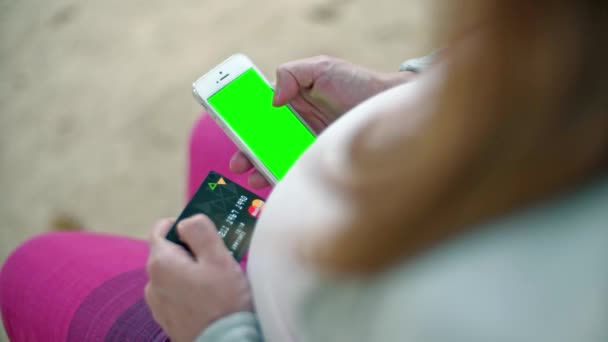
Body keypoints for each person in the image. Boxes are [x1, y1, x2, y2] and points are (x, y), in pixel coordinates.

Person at [2, 0, 608, 341]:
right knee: (216, 134)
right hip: (330, 244)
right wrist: (405, 90)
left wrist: (219, 329)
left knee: (32, 268)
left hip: (260, 323)